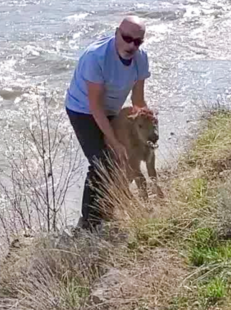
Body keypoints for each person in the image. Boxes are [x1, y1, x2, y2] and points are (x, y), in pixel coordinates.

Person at [65, 15, 151, 231]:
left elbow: (138, 101)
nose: (131, 45)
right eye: (127, 38)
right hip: (83, 109)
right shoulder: (96, 57)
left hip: (112, 109)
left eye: (137, 41)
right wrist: (113, 141)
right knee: (102, 160)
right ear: (116, 33)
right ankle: (88, 224)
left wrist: (147, 120)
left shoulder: (141, 59)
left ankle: (109, 207)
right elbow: (95, 106)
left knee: (126, 156)